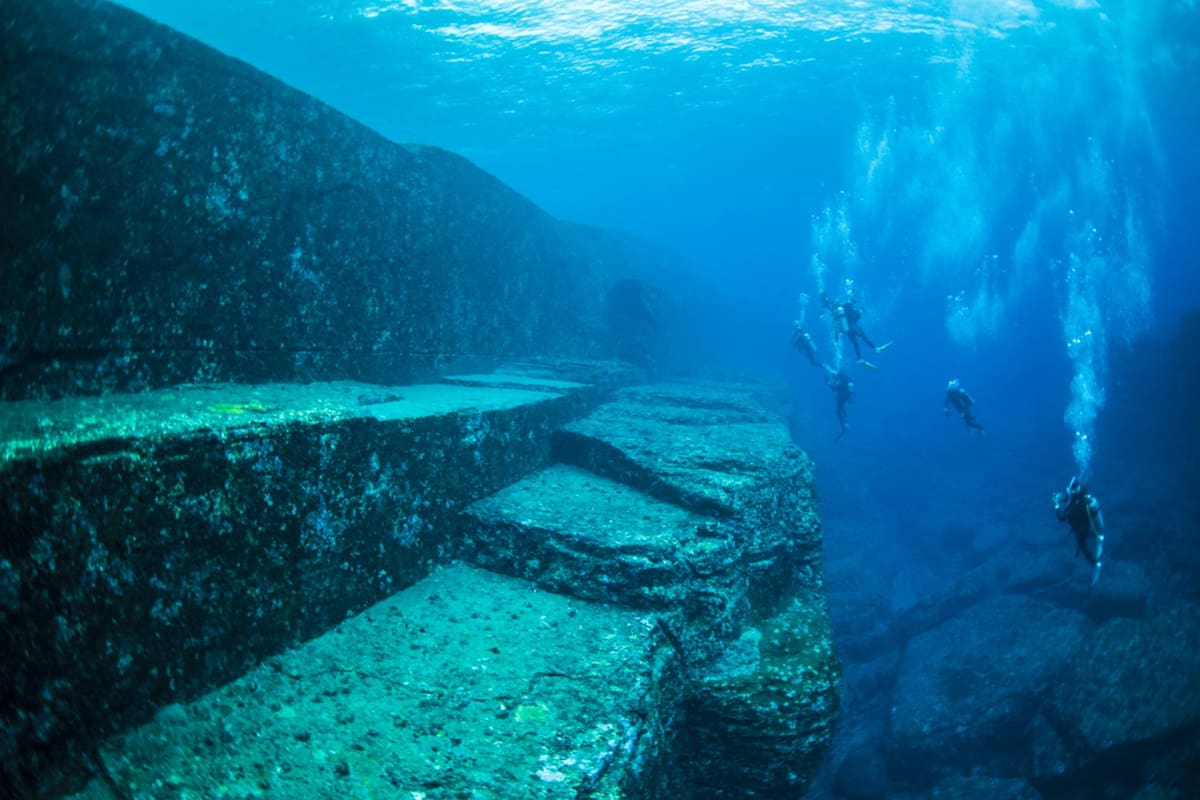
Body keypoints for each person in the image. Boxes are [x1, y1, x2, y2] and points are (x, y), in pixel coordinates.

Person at [1053, 477, 1105, 577]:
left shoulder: (1074, 506)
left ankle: (1097, 563)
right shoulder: (1080, 499)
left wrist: (1056, 505)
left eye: (1069, 489)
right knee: (1086, 534)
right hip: (1085, 526)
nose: (1067, 490)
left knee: (1083, 548)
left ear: (1073, 492)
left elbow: (1062, 518)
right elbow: (1067, 498)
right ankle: (1098, 536)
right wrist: (1059, 497)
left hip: (1080, 530)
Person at [823, 293, 891, 369]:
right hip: (852, 327)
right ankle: (875, 348)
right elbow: (854, 318)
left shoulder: (844, 307)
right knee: (863, 337)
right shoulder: (850, 308)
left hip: (847, 331)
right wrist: (859, 312)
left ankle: (859, 358)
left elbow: (840, 320)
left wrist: (836, 336)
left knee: (855, 343)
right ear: (853, 303)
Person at [824, 365, 853, 440]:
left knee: (837, 412)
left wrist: (827, 382)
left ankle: (843, 426)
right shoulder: (845, 378)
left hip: (842, 396)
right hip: (845, 396)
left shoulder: (841, 379)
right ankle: (844, 414)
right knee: (841, 407)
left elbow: (834, 388)